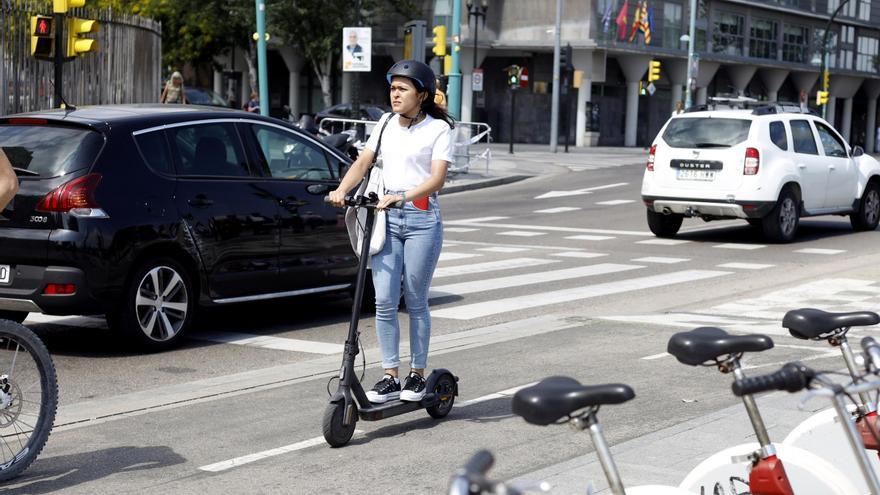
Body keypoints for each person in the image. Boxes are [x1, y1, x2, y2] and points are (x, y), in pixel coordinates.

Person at [328, 60, 454, 404]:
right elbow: (363, 162)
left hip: (421, 219)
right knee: (383, 301)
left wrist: (402, 196)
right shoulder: (384, 123)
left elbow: (437, 179)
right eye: (393, 88)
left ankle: (417, 374)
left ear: (422, 95)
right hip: (386, 219)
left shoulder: (438, 130)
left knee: (415, 300)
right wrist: (342, 190)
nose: (394, 94)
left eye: (402, 89)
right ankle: (390, 376)